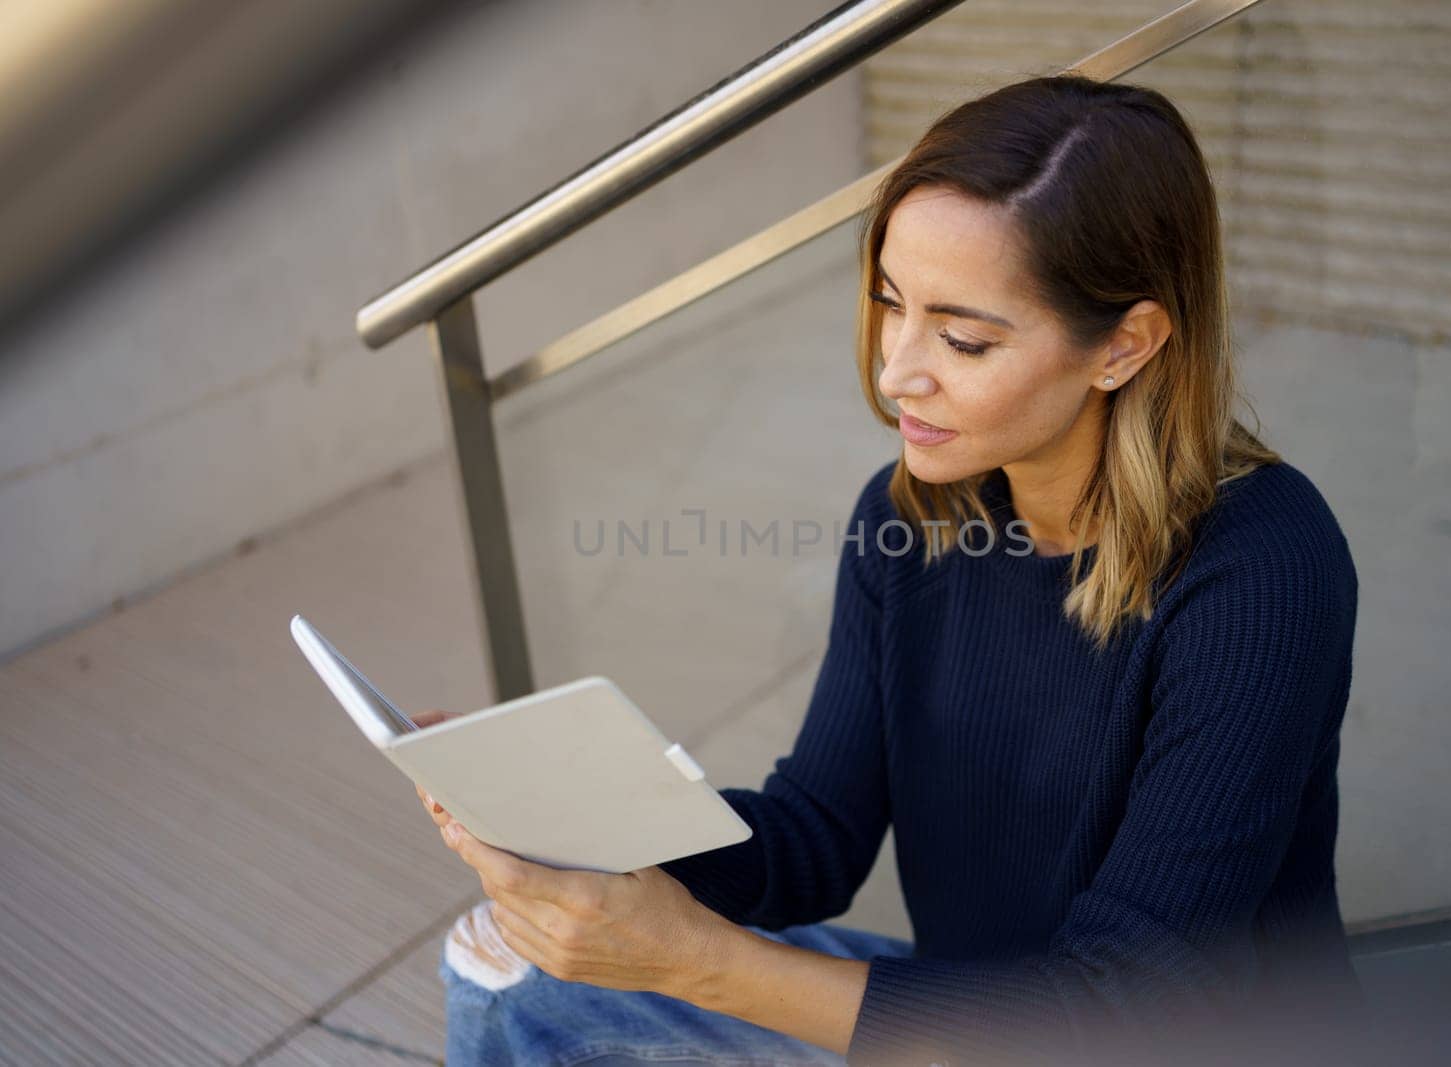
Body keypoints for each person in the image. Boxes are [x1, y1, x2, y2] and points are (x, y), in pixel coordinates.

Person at [415, 72, 1370, 1066]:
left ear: (1122, 347)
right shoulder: (913, 517)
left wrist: (694, 962)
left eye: (961, 337)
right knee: (509, 977)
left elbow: (1117, 1011)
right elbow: (813, 835)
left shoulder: (1264, 571)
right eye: (888, 302)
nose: (896, 369)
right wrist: (582, 811)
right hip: (970, 1023)